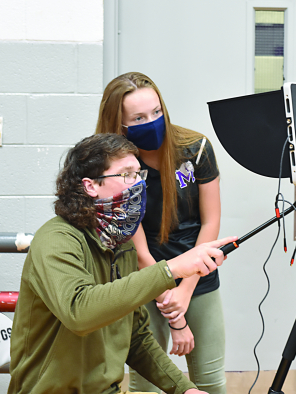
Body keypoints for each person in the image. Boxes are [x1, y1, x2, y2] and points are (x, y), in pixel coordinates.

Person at [7, 133, 237, 394]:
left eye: (139, 174)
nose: (138, 184)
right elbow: (79, 312)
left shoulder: (121, 244)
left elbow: (135, 337)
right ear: (91, 186)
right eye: (127, 175)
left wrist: (184, 389)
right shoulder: (57, 239)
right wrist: (170, 269)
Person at [95, 72, 225, 394]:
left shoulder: (196, 149)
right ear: (120, 125)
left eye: (156, 112)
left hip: (199, 276)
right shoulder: (113, 165)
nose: (152, 122)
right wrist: (172, 308)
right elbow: (139, 250)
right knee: (148, 386)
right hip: (143, 278)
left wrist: (186, 288)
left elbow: (210, 222)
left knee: (210, 381)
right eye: (138, 118)